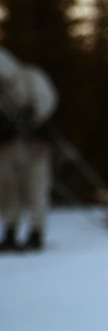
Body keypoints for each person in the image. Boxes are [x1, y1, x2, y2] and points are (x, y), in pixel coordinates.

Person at [0, 47, 58, 252]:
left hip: (35, 144)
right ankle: (10, 230)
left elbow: (47, 102)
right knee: (7, 190)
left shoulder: (30, 78)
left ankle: (36, 231)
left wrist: (32, 117)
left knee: (36, 188)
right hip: (7, 146)